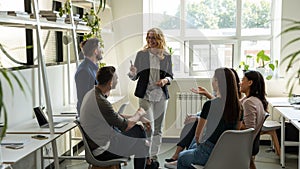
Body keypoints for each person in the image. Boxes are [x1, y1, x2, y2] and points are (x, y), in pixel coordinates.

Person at [165, 68, 242, 163]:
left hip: (208, 152)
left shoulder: (209, 105)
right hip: (227, 153)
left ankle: (180, 156)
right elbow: (236, 133)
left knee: (182, 157)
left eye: (213, 78)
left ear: (217, 82)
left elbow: (198, 137)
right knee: (191, 149)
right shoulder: (239, 107)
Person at [80, 66, 150, 169]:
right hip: (103, 151)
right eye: (116, 78)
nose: (118, 80)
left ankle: (148, 161)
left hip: (99, 145)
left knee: (141, 144)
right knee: (139, 130)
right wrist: (139, 113)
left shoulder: (93, 94)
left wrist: (137, 118)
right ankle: (149, 162)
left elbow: (114, 116)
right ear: (110, 83)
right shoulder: (100, 102)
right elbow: (126, 126)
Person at [128, 27, 173, 165]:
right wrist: (132, 72)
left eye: (153, 38)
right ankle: (146, 156)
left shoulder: (166, 55)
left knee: (158, 128)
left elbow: (170, 75)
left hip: (161, 95)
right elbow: (134, 77)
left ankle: (153, 157)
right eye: (148, 37)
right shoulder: (141, 54)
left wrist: (165, 81)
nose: (150, 40)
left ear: (159, 39)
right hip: (145, 95)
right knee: (149, 127)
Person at [239, 70, 267, 169]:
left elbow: (249, 129)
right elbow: (231, 105)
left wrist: (235, 123)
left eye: (242, 80)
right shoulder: (254, 100)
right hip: (251, 143)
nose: (240, 83)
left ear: (250, 83)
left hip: (243, 143)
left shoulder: (249, 102)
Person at [75, 38, 103, 116]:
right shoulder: (84, 71)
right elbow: (84, 98)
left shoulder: (94, 68)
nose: (101, 50)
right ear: (95, 51)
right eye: (99, 47)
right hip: (90, 115)